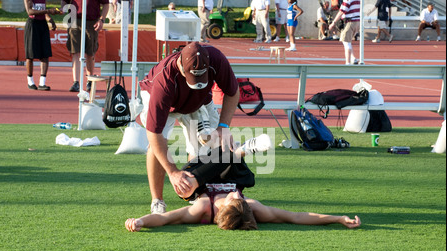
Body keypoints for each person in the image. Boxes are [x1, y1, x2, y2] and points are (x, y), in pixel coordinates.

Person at [125, 141, 361, 232]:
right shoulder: (251, 206)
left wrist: (141, 221)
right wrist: (337, 218)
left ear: (223, 209)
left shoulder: (203, 209)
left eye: (232, 199)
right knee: (231, 159)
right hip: (233, 172)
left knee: (217, 156)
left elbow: (166, 219)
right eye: (239, 199)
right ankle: (236, 150)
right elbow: (297, 217)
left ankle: (232, 150)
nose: (233, 197)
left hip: (198, 178)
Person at [138, 42, 240, 214]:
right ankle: (157, 200)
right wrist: (172, 172)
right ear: (182, 69)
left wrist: (223, 126)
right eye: (194, 78)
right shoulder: (164, 82)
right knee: (156, 146)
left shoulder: (217, 59)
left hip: (198, 100)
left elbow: (232, 91)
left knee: (208, 144)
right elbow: (154, 134)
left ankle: (197, 192)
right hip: (166, 103)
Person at [62, 0, 109, 92]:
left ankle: (90, 79)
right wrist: (63, 9)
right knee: (75, 51)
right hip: (74, 20)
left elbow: (106, 4)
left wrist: (102, 20)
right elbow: (64, 1)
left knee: (90, 53)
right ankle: (76, 82)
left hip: (92, 21)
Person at [24, 0, 61, 91]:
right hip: (32, 24)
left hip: (43, 24)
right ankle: (30, 81)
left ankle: (42, 83)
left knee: (45, 54)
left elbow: (43, 10)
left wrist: (50, 20)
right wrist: (48, 11)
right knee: (30, 55)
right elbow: (30, 11)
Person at [329, 0, 360, 65]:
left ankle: (347, 63)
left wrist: (333, 23)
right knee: (348, 41)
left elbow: (341, 11)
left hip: (350, 22)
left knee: (346, 42)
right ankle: (353, 58)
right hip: (357, 22)